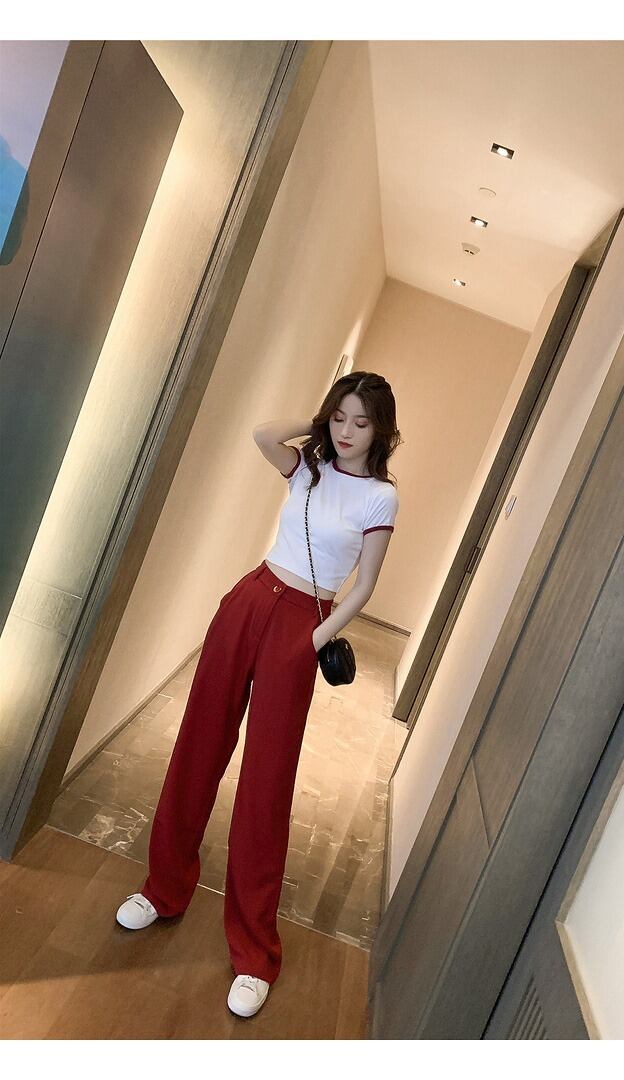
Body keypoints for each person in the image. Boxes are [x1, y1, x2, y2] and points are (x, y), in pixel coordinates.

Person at [114, 371, 402, 1018]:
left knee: (266, 783)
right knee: (198, 747)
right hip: (250, 598)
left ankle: (254, 952)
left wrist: (311, 639)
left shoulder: (380, 498)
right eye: (339, 417)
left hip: (304, 620)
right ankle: (162, 890)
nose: (347, 431)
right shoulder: (308, 468)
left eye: (361, 423)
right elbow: (263, 434)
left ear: (380, 430)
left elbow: (364, 585)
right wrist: (318, 421)